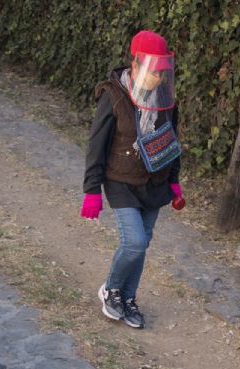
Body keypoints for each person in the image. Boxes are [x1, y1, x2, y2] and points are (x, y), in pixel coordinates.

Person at [80, 30, 183, 329]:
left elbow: (170, 143)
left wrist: (174, 182)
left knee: (144, 243)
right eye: (153, 72)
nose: (158, 79)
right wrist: (92, 190)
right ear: (136, 65)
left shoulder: (167, 99)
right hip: (120, 181)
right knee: (135, 242)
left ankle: (127, 297)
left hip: (155, 184)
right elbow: (96, 146)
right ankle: (111, 289)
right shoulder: (113, 96)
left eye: (163, 73)